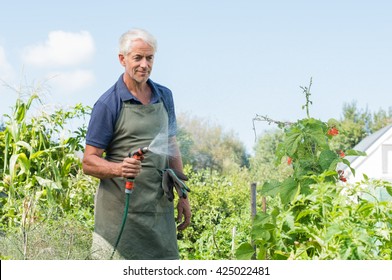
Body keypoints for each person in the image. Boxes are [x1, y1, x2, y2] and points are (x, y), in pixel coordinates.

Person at [82, 28, 191, 260]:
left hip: (158, 211)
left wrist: (183, 194)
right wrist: (118, 169)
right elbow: (88, 162)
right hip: (120, 215)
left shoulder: (165, 96)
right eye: (137, 58)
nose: (144, 65)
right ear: (122, 59)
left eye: (149, 58)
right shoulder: (107, 103)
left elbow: (171, 144)